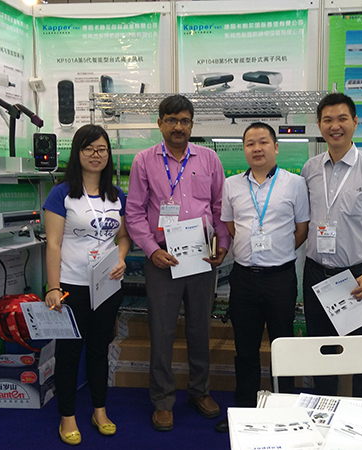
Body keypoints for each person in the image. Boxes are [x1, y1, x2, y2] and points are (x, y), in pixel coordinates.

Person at [126, 94, 230, 431]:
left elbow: (219, 207)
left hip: (201, 258)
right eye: (171, 120)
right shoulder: (144, 161)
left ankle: (200, 391)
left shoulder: (209, 158)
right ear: (160, 124)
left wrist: (223, 245)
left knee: (200, 328)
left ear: (192, 124)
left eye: (184, 121)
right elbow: (134, 212)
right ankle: (162, 399)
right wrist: (150, 250)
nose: (178, 127)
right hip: (163, 260)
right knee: (162, 331)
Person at [301, 93, 362, 398]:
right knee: (321, 353)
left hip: (358, 276)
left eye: (342, 119)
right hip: (316, 274)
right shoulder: (310, 169)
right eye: (328, 120)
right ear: (319, 125)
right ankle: (323, 412)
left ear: (355, 122)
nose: (335, 126)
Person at [215, 122, 309, 433]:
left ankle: (284, 414)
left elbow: (301, 229)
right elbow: (231, 226)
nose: (257, 148)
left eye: (263, 142)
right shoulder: (231, 185)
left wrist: (277, 251)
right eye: (250, 143)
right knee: (245, 350)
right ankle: (245, 412)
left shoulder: (294, 183)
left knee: (283, 348)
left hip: (280, 278)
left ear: (276, 147)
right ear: (244, 149)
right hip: (243, 278)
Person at [43, 124, 131, 445]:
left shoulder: (116, 195)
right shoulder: (61, 194)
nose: (96, 155)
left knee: (99, 350)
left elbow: (124, 237)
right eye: (89, 149)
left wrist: (121, 257)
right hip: (72, 285)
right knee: (68, 353)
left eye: (102, 149)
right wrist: (53, 287)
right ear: (77, 152)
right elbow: (53, 244)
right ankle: (67, 416)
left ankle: (99, 411)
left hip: (107, 285)